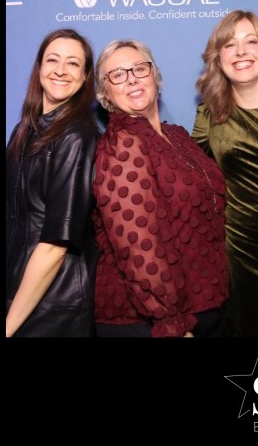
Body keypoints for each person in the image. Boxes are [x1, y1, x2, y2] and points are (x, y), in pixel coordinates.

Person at [92, 39, 228, 337]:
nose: (131, 79)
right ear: (106, 93)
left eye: (139, 68)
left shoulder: (176, 135)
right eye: (118, 74)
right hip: (151, 322)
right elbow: (140, 247)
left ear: (155, 75)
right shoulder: (122, 144)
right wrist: (171, 322)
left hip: (205, 307)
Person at [193, 10, 258, 336]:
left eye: (251, 41)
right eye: (229, 44)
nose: (240, 52)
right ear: (218, 57)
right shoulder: (209, 115)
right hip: (241, 254)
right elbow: (189, 176)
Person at [6, 29, 98, 336]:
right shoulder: (24, 130)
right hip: (20, 293)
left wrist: (8, 326)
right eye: (53, 60)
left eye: (73, 63)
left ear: (85, 77)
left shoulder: (77, 136)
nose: (60, 70)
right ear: (39, 67)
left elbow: (55, 246)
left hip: (54, 307)